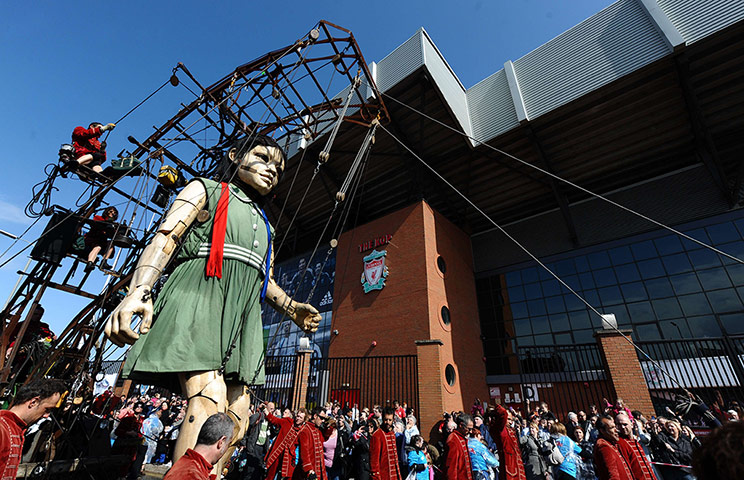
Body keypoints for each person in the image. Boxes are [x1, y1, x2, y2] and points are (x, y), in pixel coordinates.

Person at [106, 135, 322, 464]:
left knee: (239, 412)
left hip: (241, 316)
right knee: (210, 397)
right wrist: (139, 289)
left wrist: (292, 308)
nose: (271, 170)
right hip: (198, 297)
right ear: (236, 155)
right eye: (263, 158)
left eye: (278, 167)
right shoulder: (205, 189)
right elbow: (166, 236)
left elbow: (266, 281)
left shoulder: (267, 226)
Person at [0, 379, 65, 479]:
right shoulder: (2, 428)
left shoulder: (15, 430)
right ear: (33, 402)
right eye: (47, 409)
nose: (47, 416)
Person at [163, 412, 234, 480]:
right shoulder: (191, 475)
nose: (227, 449)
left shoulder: (191, 468)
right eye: (228, 444)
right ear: (221, 442)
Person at [593, 415, 645, 480]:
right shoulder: (603, 446)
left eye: (615, 426)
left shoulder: (611, 443)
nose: (616, 430)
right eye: (612, 427)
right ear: (602, 431)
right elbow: (613, 475)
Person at [265, 407, 306, 480]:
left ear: (304, 419)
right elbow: (275, 420)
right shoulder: (287, 421)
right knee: (270, 476)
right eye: (297, 416)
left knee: (288, 477)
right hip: (277, 453)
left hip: (288, 458)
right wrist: (266, 411)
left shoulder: (303, 431)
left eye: (300, 417)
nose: (298, 418)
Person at [615, 412, 657, 480]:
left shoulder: (635, 441)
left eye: (625, 424)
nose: (622, 427)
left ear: (631, 424)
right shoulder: (620, 443)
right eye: (619, 425)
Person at [490, 405, 526, 480]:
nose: (510, 422)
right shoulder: (500, 429)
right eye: (508, 419)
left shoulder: (511, 430)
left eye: (511, 420)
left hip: (518, 470)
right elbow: (503, 414)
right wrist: (497, 407)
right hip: (509, 471)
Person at [296, 407, 328, 480]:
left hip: (320, 471)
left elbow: (326, 437)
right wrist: (309, 470)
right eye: (321, 418)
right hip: (309, 473)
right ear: (315, 416)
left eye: (324, 419)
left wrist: (329, 424)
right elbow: (304, 453)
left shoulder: (318, 430)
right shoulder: (305, 430)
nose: (323, 421)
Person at [370, 406, 401, 480]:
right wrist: (376, 477)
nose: (388, 422)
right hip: (384, 476)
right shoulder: (377, 435)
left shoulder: (392, 433)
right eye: (385, 420)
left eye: (390, 420)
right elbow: (374, 461)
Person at [83, 206, 119, 271]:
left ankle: (104, 262)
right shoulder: (99, 218)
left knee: (111, 245)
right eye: (111, 211)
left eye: (114, 212)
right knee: (98, 247)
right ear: (107, 212)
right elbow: (96, 223)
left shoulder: (113, 225)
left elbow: (113, 233)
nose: (112, 213)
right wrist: (107, 221)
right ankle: (89, 263)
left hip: (102, 242)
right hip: (91, 239)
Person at [447, 414, 474, 479]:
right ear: (461, 425)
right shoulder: (453, 440)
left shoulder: (462, 438)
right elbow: (452, 467)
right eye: (469, 429)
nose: (470, 432)